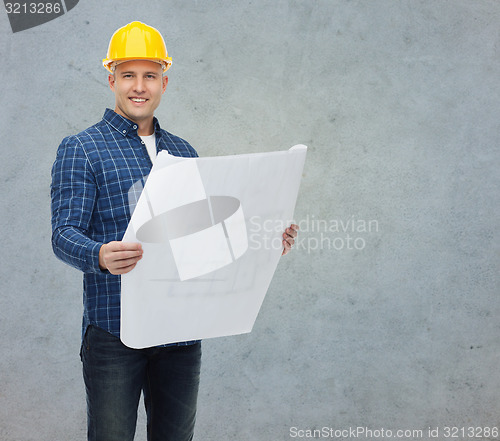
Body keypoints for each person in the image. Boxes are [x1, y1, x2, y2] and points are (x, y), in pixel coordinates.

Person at [51, 21, 298, 441]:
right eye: (128, 75)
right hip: (115, 331)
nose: (139, 86)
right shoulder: (82, 148)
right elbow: (63, 234)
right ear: (111, 78)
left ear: (165, 81)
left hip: (181, 330)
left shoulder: (183, 152)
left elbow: (203, 243)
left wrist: (263, 241)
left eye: (150, 75)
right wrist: (98, 255)